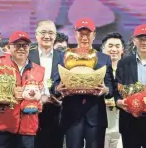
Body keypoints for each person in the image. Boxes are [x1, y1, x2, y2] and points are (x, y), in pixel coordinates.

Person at [54, 18, 115, 148]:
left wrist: (106, 90)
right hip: (71, 115)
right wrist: (58, 88)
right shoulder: (64, 56)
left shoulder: (104, 58)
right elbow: (54, 84)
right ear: (75, 34)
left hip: (96, 116)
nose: (84, 37)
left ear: (94, 34)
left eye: (88, 34)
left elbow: (111, 88)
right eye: (81, 34)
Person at [0, 31, 45, 148]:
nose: (21, 49)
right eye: (17, 45)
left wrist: (41, 101)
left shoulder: (39, 70)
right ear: (9, 47)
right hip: (3, 126)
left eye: (25, 45)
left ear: (29, 48)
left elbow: (44, 94)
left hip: (28, 128)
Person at [28, 20, 64, 148]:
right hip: (30, 110)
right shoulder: (27, 55)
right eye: (43, 32)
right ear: (36, 35)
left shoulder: (64, 57)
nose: (47, 36)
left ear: (55, 35)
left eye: (51, 33)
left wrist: (61, 93)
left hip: (56, 109)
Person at [101, 32, 125, 148]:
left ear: (122, 49)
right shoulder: (96, 71)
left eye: (117, 46)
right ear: (103, 49)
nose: (114, 49)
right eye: (110, 46)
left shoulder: (129, 71)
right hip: (101, 124)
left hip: (123, 125)